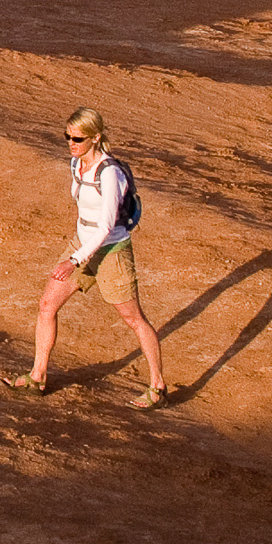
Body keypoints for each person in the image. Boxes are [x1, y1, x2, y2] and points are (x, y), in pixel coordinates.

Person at [25, 108, 169, 407]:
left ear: (96, 137)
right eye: (67, 136)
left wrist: (74, 260)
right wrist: (77, 253)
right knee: (47, 305)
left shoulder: (110, 173)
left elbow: (105, 226)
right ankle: (37, 376)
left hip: (111, 252)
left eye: (77, 138)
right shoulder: (76, 164)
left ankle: (157, 386)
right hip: (81, 245)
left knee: (134, 319)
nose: (71, 143)